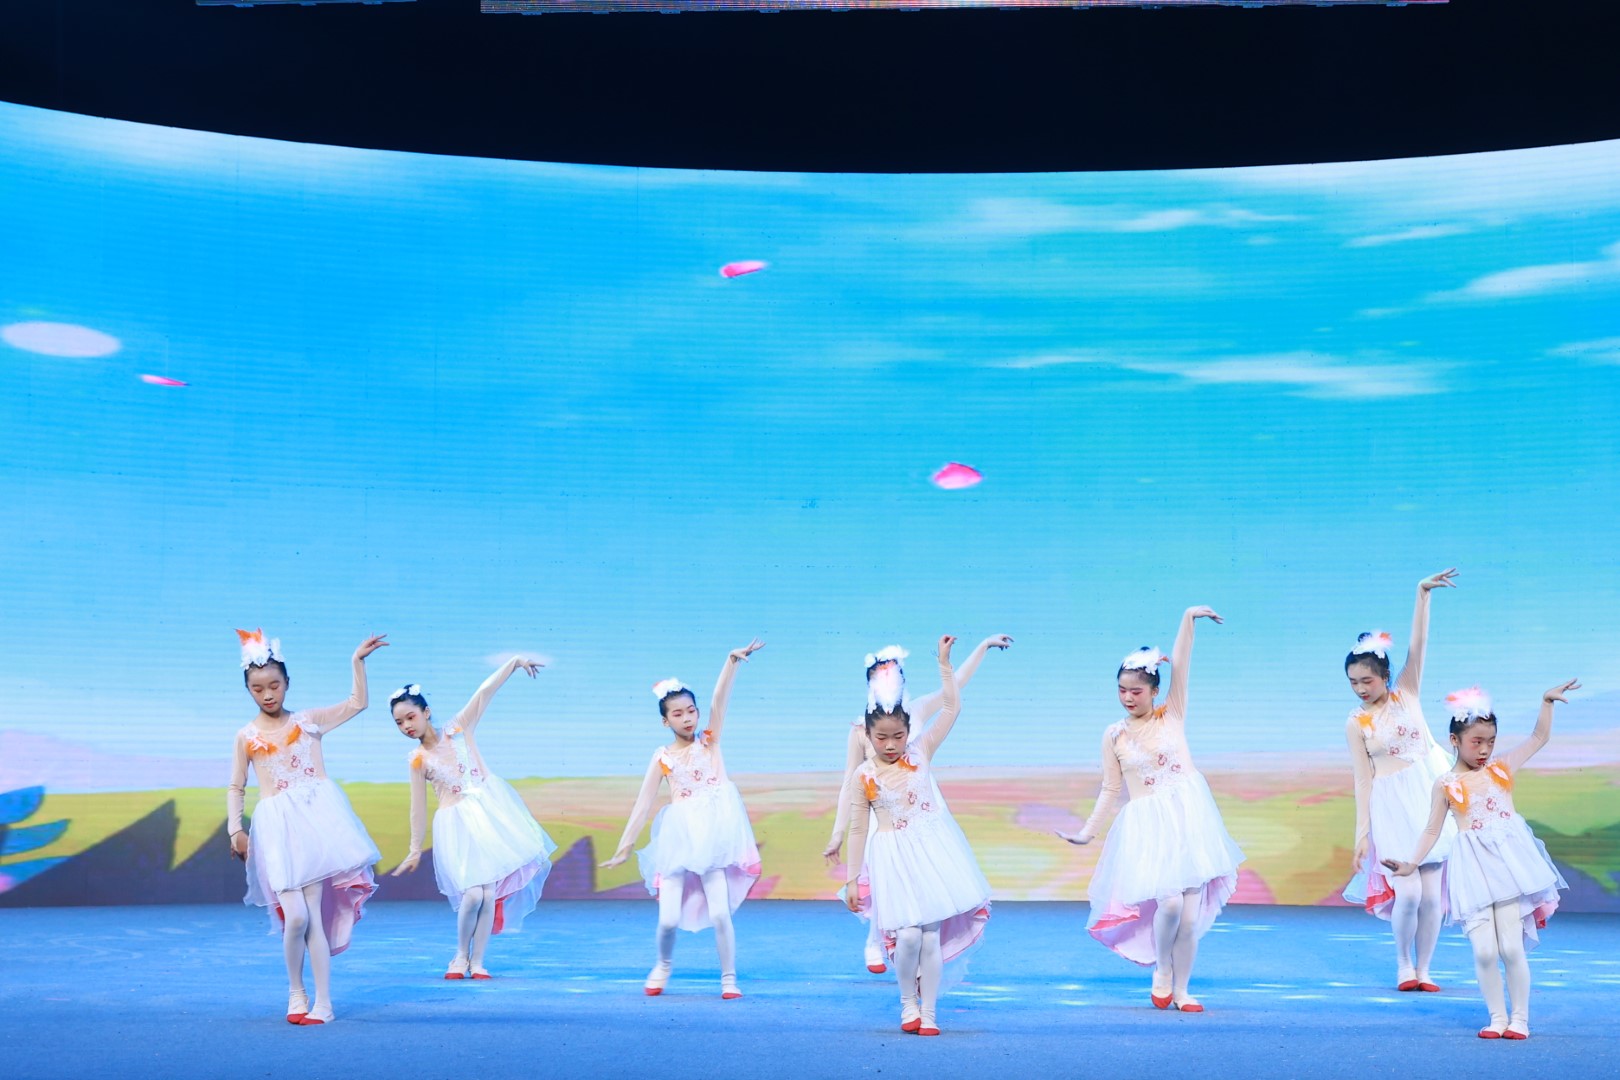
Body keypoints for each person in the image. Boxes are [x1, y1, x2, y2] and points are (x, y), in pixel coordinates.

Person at [1057, 607, 1242, 1013]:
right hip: (1149, 826)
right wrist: (1087, 832)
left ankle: (1183, 990)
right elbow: (1111, 788)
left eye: (1136, 691)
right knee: (1170, 904)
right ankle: (1162, 968)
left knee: (1189, 918)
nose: (1128, 698)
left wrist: (1188, 618)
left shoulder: (1172, 713)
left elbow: (1183, 662)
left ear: (1154, 690)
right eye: (1121, 690)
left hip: (1189, 817)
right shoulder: (1114, 735)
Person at [1386, 681, 1577, 1040]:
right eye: (1477, 742)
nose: (1485, 749)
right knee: (1486, 952)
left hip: (1507, 868)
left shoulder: (1500, 769)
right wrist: (1411, 864)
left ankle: (1519, 1019)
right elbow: (1431, 829)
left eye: (1490, 741)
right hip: (1473, 872)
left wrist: (1546, 702)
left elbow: (1538, 737)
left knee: (1511, 947)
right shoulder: (1445, 784)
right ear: (1454, 740)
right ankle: (1497, 1017)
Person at [226, 629, 387, 1026]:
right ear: (248, 690)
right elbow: (236, 785)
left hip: (315, 823)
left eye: (274, 685)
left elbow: (357, 703)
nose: (267, 694)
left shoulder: (308, 722)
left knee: (312, 915)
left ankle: (323, 1003)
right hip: (277, 828)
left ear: (287, 683)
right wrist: (235, 829)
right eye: (257, 688)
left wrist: (357, 662)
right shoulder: (246, 736)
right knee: (294, 916)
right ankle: (296, 990)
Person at [824, 635, 1012, 973]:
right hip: (881, 811)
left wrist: (981, 647)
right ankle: (876, 940)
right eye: (880, 676)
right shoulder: (860, 730)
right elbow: (849, 784)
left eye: (892, 674)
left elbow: (954, 689)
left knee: (926, 892)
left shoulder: (917, 710)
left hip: (922, 809)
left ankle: (922, 966)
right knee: (883, 881)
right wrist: (838, 833)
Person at [842, 635, 992, 1036]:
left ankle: (928, 1012)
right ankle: (907, 999)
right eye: (881, 738)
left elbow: (952, 706)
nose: (891, 745)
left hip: (930, 849)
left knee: (929, 937)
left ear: (908, 729)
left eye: (897, 736)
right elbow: (858, 827)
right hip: (891, 855)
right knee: (907, 937)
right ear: (868, 735)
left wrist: (944, 662)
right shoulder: (864, 775)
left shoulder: (921, 750)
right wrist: (852, 879)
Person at [600, 640, 765, 999]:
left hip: (713, 837)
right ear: (665, 721)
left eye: (691, 710)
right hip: (679, 837)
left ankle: (729, 978)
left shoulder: (709, 741)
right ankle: (662, 965)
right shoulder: (662, 757)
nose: (687, 718)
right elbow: (643, 804)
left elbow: (720, 700)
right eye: (677, 714)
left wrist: (731, 662)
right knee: (668, 919)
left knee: (720, 915)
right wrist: (625, 847)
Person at [389, 656, 557, 978]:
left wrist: (514, 663)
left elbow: (484, 692)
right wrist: (414, 849)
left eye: (410, 717)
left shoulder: (458, 728)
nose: (407, 726)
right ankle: (459, 955)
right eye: (399, 723)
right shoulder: (417, 759)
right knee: (473, 894)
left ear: (426, 712)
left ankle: (477, 961)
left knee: (489, 893)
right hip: (455, 826)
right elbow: (417, 807)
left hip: (486, 814)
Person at [1343, 569, 1460, 991]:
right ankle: (1403, 965)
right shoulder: (1355, 722)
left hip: (1427, 801)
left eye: (1367, 680)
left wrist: (1422, 594)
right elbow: (1363, 780)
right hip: (1391, 808)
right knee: (1407, 896)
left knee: (1431, 899)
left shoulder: (1407, 692)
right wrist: (1362, 834)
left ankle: (1424, 969)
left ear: (1384, 675)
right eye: (1353, 682)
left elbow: (1419, 643)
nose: (1361, 688)